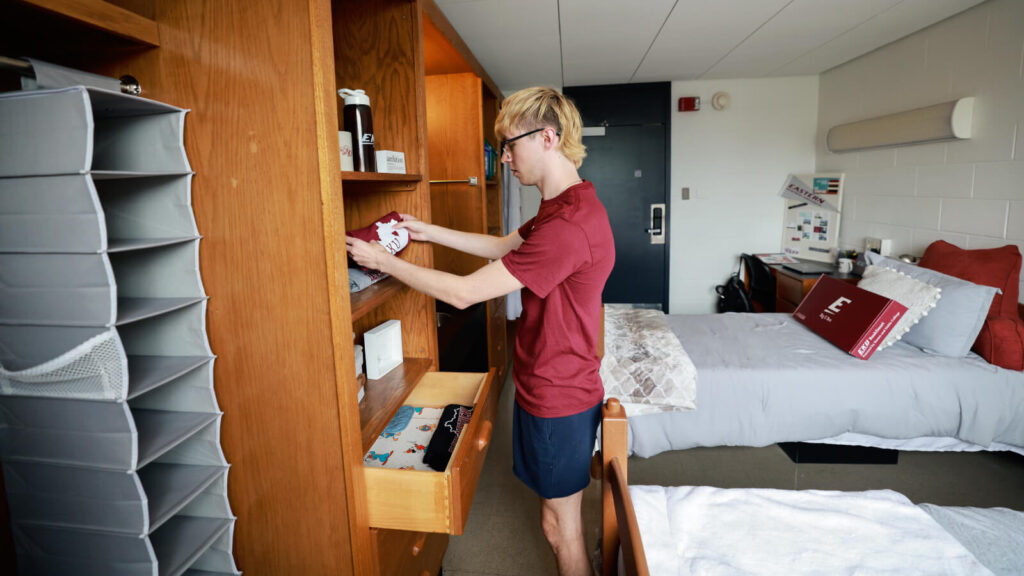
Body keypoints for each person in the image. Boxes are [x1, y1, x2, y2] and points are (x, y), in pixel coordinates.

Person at [346, 86, 614, 576]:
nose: (505, 157)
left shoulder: (568, 225)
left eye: (510, 145)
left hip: (560, 395)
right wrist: (429, 231)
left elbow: (463, 295)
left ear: (548, 137)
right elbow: (503, 246)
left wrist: (382, 261)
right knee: (557, 522)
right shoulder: (563, 206)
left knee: (561, 529)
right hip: (552, 385)